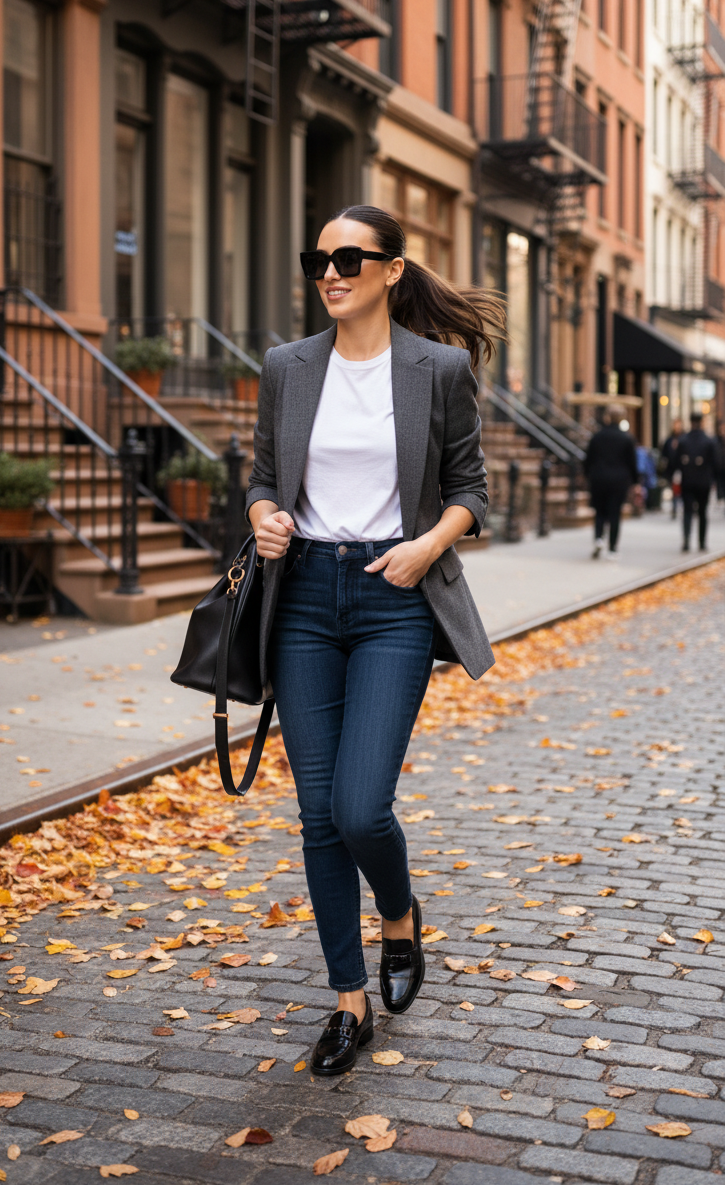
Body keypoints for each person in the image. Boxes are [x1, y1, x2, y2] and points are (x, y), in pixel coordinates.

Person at [246, 205, 504, 1076]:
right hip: (306, 597)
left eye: (350, 257)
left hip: (395, 598)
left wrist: (427, 544)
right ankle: (347, 1002)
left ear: (393, 269)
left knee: (361, 807)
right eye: (319, 257)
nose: (331, 271)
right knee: (319, 818)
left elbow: (469, 488)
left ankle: (399, 915)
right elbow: (261, 477)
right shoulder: (288, 365)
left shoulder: (438, 369)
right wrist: (264, 518)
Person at [584, 405, 638, 559]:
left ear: (607, 417)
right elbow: (632, 463)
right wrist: (635, 482)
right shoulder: (626, 438)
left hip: (598, 478)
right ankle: (613, 548)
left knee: (599, 511)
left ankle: (599, 538)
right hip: (618, 481)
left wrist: (587, 475)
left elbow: (588, 459)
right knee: (615, 513)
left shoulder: (597, 436)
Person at [669, 413, 717, 552]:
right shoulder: (709, 441)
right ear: (701, 422)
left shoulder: (683, 441)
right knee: (702, 512)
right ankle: (702, 542)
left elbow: (676, 462)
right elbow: (715, 463)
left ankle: (686, 540)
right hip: (703, 482)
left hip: (687, 481)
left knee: (687, 511)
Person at [661, 419, 684, 519]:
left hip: (683, 469)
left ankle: (685, 507)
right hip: (672, 469)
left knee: (682, 490)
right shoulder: (669, 440)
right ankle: (674, 508)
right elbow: (664, 453)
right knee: (674, 490)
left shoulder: (684, 439)